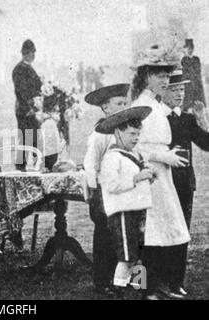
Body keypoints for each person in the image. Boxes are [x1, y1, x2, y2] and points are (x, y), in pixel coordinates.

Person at [130, 45, 191, 300]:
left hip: (161, 174)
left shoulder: (154, 104)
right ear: (146, 76)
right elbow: (134, 146)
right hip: (148, 173)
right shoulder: (141, 105)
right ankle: (140, 287)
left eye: (167, 76)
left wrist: (167, 154)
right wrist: (161, 156)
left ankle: (157, 284)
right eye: (160, 76)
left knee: (161, 232)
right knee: (145, 234)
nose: (165, 81)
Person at [161, 69, 209, 298]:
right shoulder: (155, 118)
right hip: (160, 183)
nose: (180, 94)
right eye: (174, 89)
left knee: (182, 233)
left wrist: (202, 118)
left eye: (182, 89)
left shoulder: (187, 119)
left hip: (184, 184)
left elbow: (207, 144)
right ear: (163, 91)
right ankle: (143, 284)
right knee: (152, 236)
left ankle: (175, 283)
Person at [97, 106, 154, 291]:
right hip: (123, 213)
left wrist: (148, 177)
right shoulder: (112, 158)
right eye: (131, 134)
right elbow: (111, 185)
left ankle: (138, 288)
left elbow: (138, 183)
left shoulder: (135, 154)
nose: (136, 138)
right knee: (127, 256)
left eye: (138, 134)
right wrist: (137, 178)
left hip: (139, 210)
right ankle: (119, 289)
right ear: (118, 133)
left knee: (140, 253)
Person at [83, 83, 130, 295]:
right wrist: (94, 191)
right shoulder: (100, 133)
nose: (123, 107)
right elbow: (90, 163)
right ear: (105, 107)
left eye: (125, 103)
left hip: (126, 190)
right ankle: (102, 281)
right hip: (105, 192)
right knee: (105, 236)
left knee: (128, 236)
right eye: (118, 104)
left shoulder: (128, 129)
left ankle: (128, 280)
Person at [12, 39, 42, 170]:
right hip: (25, 109)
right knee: (25, 137)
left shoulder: (27, 67)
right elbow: (20, 91)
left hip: (31, 108)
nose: (33, 55)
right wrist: (28, 108)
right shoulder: (20, 69)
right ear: (28, 53)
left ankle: (36, 163)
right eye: (32, 53)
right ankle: (21, 166)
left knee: (33, 136)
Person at [181, 39, 206, 110]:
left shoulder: (196, 59)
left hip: (197, 84)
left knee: (198, 103)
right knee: (188, 104)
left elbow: (198, 71)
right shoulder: (184, 59)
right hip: (188, 85)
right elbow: (185, 72)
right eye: (187, 48)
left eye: (191, 48)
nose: (190, 50)